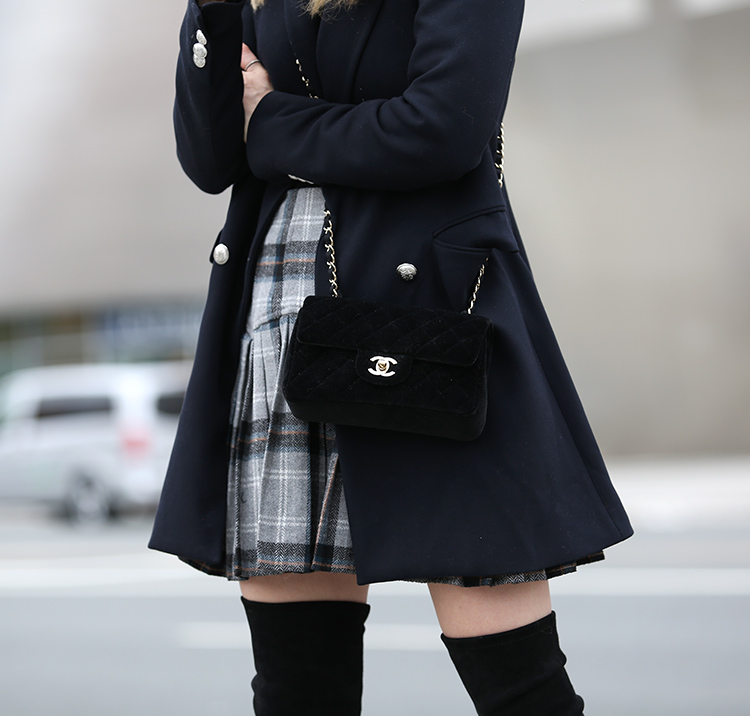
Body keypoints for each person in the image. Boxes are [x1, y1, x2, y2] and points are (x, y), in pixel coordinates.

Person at [150, 0, 634, 713]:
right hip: (283, 318)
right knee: (298, 688)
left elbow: (440, 130)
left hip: (430, 324)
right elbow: (212, 156)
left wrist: (274, 119)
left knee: (516, 684)